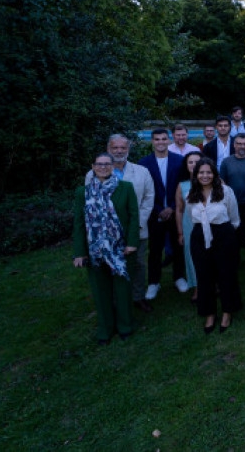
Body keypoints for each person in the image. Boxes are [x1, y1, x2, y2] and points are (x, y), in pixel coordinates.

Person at [72, 152, 141, 344]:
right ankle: (106, 329)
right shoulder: (83, 192)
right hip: (95, 250)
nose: (103, 167)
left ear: (112, 166)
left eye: (107, 164)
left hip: (121, 249)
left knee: (122, 289)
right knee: (100, 291)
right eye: (99, 164)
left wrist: (132, 243)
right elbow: (79, 223)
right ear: (93, 167)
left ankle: (125, 326)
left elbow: (134, 217)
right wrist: (79, 252)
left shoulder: (125, 188)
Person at [89, 135, 154, 313]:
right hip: (105, 233)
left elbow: (148, 199)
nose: (119, 151)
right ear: (108, 149)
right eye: (115, 148)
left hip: (136, 229)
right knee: (109, 265)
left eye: (123, 148)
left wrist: (136, 225)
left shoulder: (142, 171)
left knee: (139, 264)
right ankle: (113, 300)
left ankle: (138, 296)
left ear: (128, 149)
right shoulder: (93, 174)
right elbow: (89, 204)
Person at [185, 158, 242, 334]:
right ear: (196, 175)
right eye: (201, 172)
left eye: (208, 172)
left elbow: (234, 217)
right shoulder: (191, 193)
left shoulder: (225, 191)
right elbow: (190, 215)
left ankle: (227, 312)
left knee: (226, 274)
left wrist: (225, 234)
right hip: (199, 237)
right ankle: (209, 313)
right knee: (204, 276)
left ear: (214, 174)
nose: (205, 175)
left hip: (223, 235)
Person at [138, 128, 186, 300]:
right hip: (154, 213)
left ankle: (179, 277)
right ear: (152, 141)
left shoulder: (179, 161)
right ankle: (153, 282)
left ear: (169, 140)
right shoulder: (143, 163)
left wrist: (172, 207)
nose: (160, 142)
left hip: (176, 211)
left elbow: (183, 186)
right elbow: (143, 191)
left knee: (178, 246)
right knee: (155, 250)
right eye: (157, 139)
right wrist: (159, 210)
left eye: (163, 139)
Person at [220, 133, 245, 258]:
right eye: (239, 144)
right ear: (234, 145)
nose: (242, 146)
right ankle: (234, 258)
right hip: (232, 204)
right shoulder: (226, 162)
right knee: (235, 233)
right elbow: (222, 183)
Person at [174, 151, 203, 301]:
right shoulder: (182, 185)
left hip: (209, 225)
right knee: (193, 257)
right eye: (190, 162)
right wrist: (180, 233)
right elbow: (179, 210)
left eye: (197, 161)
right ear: (186, 165)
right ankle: (197, 287)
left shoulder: (213, 180)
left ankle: (213, 283)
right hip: (189, 226)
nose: (194, 165)